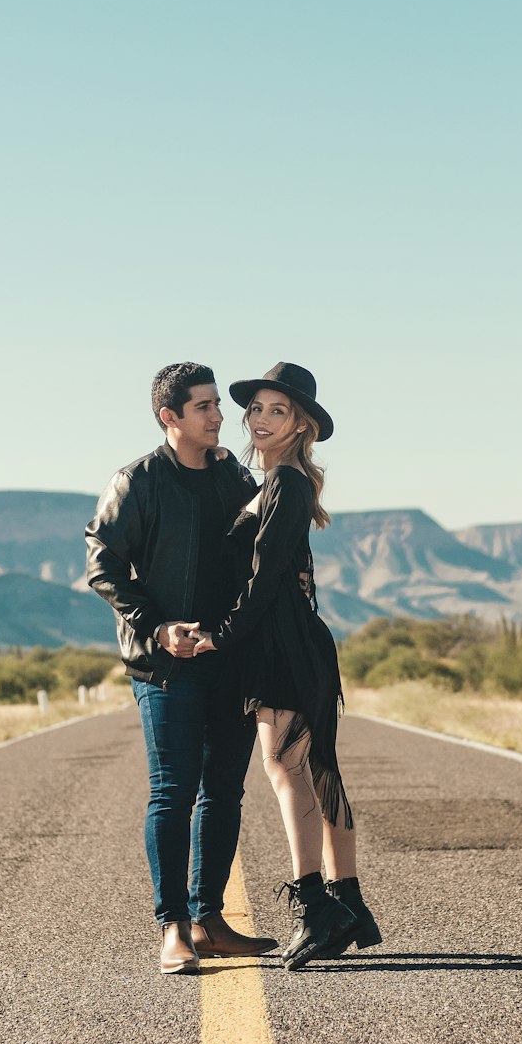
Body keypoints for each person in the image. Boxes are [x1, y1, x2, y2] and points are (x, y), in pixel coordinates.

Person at [85, 362, 279, 975]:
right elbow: (103, 565)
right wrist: (158, 625)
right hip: (163, 664)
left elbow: (260, 551)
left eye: (218, 403)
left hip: (228, 658)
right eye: (204, 407)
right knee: (174, 791)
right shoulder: (136, 481)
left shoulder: (232, 477)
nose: (220, 415)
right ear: (170, 417)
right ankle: (172, 927)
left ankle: (210, 921)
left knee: (224, 791)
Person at [193, 362, 381, 971]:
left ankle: (314, 907)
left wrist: (220, 639)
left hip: (282, 640)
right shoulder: (269, 482)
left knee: (284, 766)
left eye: (279, 410)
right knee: (316, 768)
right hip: (294, 635)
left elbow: (266, 576)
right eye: (258, 409)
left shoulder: (288, 484)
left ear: (301, 424)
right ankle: (346, 899)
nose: (262, 418)